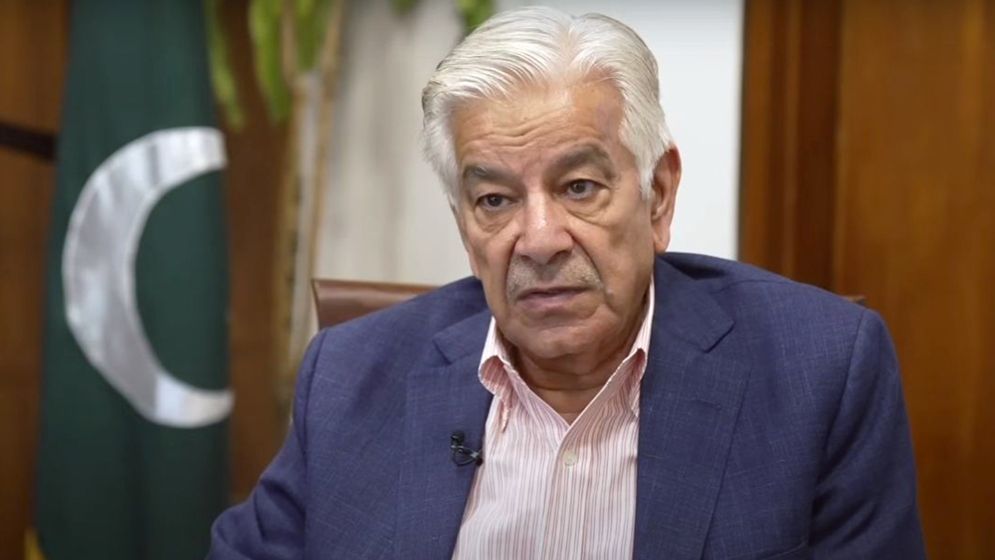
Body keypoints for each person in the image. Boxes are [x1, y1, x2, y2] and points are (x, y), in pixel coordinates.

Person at [209, 7, 925, 559]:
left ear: (658, 196)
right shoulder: (350, 376)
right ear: (463, 223)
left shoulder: (820, 374)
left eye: (579, 187)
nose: (540, 239)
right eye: (495, 200)